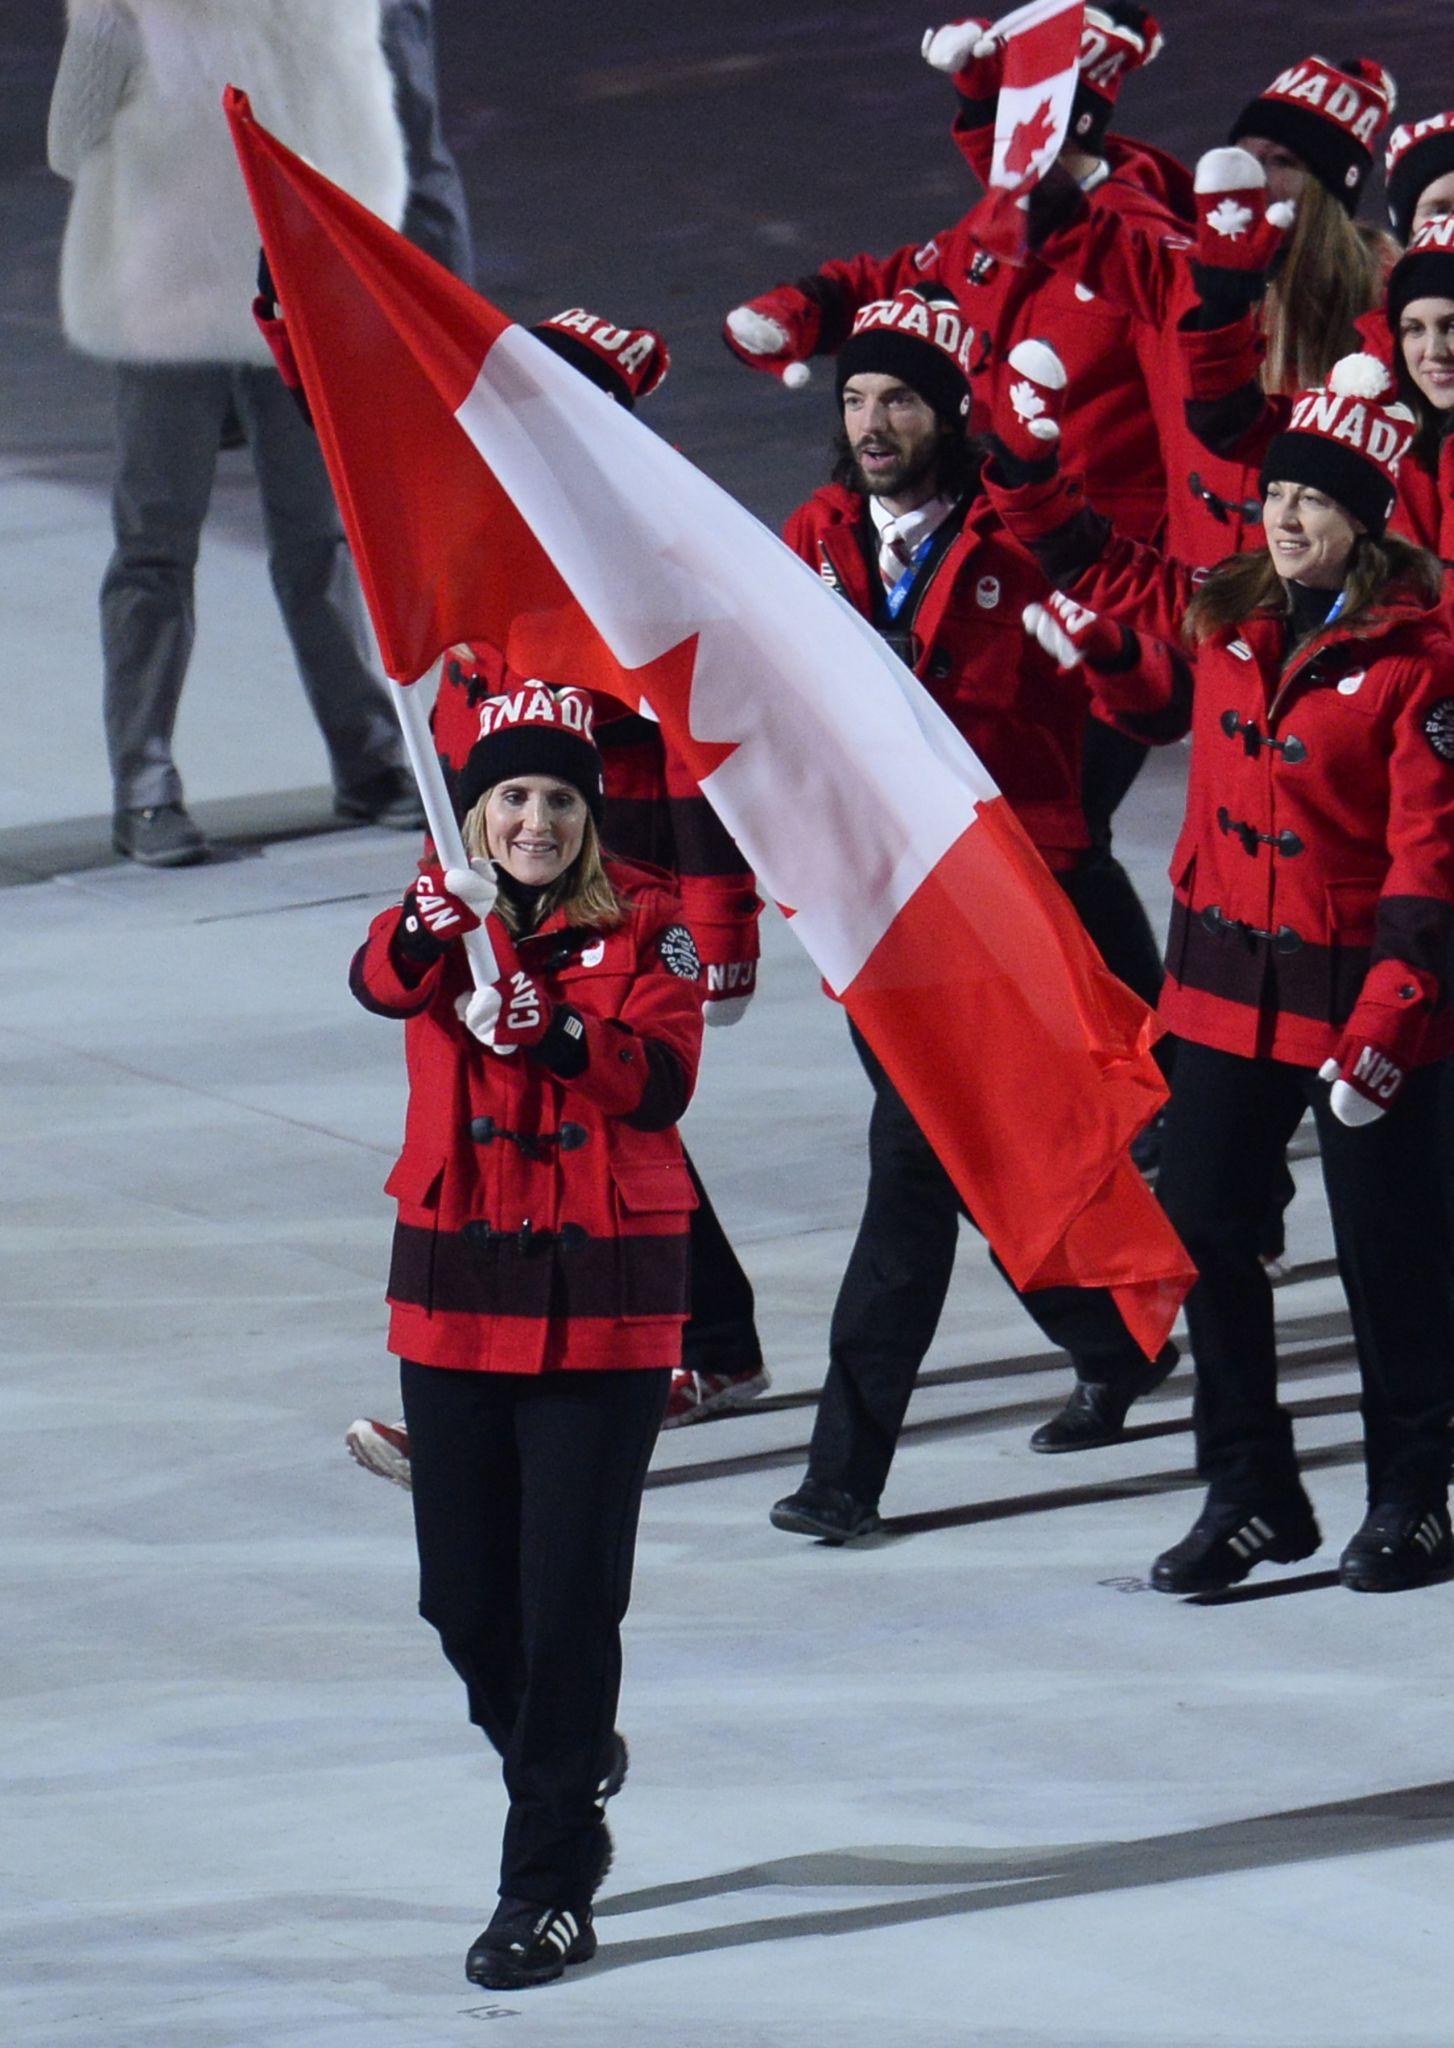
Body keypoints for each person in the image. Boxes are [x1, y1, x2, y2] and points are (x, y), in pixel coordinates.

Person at [988, 341, 1454, 1595]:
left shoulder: (1419, 661)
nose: (1285, 518)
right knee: (1200, 1228)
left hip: (1356, 1002)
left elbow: (1429, 867)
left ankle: (1414, 1493)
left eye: (1313, 501)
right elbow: (1097, 567)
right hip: (1219, 994)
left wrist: (1389, 1024)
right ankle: (1249, 1491)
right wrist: (1024, 463)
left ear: (1365, 521)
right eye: (1275, 495)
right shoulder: (1223, 610)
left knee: (1390, 1254)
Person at [767, 290, 1184, 1546]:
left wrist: (1094, 670)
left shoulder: (1026, 532)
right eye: (853, 397)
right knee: (973, 1155)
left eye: (898, 398)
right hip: (885, 908)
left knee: (913, 1163)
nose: (871, 422)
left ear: (952, 411)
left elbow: (1154, 694)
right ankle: (1114, 1341)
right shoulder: (816, 531)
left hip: (1011, 898)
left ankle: (842, 1473)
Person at [346, 309, 765, 1491]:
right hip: (494, 880)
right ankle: (655, 1352)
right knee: (535, 1124)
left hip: (612, 894)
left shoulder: (642, 574)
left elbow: (696, 760)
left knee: (611, 1116)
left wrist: (720, 930)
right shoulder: (481, 535)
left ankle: (656, 1358)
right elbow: (357, 418)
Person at [723, 5, 1181, 1078]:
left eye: (1005, 110)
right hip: (995, 558)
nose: (990, 144)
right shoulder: (998, 223)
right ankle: (1123, 1065)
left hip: (1106, 580)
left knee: (1061, 833)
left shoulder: (1143, 247)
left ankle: (1146, 1067)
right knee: (1044, 839)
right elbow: (907, 280)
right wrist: (801, 310)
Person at [350, 683, 702, 1988]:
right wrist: (426, 923)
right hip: (455, 1290)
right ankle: (565, 1756)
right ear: (478, 811)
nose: (535, 819)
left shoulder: (651, 921)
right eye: (511, 796)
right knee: (460, 1599)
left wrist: (555, 1033)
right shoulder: (440, 915)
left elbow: (661, 1082)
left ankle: (546, 1881)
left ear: (589, 816)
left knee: (567, 1606)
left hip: (602, 1306)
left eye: (559, 798)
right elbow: (376, 982)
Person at [46, 0, 421, 866]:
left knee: (156, 545)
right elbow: (375, 147)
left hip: (172, 291)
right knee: (317, 540)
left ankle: (146, 789)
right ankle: (371, 763)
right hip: (299, 288)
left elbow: (71, 137)